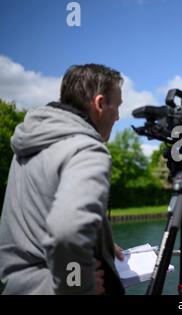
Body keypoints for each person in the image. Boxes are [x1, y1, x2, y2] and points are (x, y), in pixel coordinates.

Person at [0, 64, 125, 294]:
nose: (117, 116)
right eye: (117, 106)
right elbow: (67, 232)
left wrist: (100, 243)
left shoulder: (29, 144)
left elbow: (36, 219)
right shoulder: (87, 150)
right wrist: (77, 283)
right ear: (99, 104)